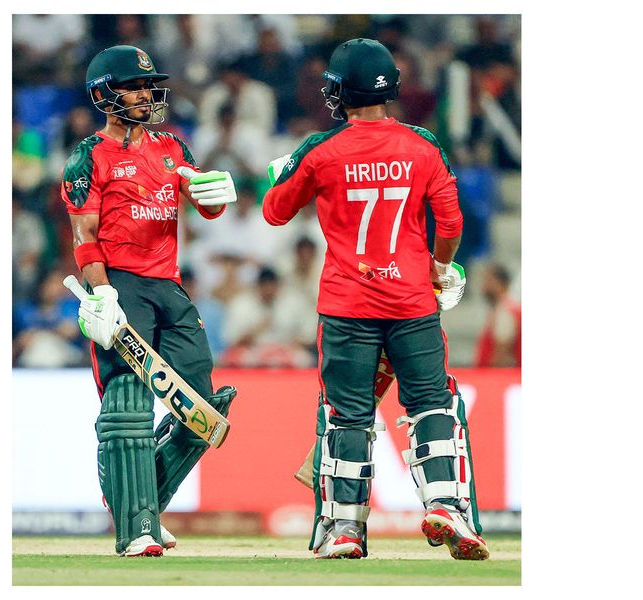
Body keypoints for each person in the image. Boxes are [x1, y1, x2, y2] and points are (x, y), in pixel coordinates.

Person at [262, 38, 488, 560]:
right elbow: (451, 222)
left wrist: (284, 170)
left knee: (347, 416)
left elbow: (274, 212)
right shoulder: (422, 144)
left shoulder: (320, 149)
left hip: (347, 304)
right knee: (432, 403)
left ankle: (344, 528)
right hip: (412, 301)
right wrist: (438, 267)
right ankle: (446, 505)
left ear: (341, 90)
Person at [60, 45, 238, 557]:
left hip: (167, 285)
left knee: (202, 408)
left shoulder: (172, 147)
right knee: (128, 406)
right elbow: (84, 236)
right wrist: (102, 292)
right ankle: (136, 526)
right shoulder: (88, 156)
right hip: (121, 286)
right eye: (133, 87)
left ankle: (142, 504)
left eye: (147, 86)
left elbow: (203, 205)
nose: (144, 94)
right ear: (103, 95)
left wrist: (213, 197)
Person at [475, 263, 521, 367]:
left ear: (499, 283)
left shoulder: (505, 310)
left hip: (494, 373)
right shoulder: (504, 308)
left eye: (488, 280)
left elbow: (502, 352)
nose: (484, 286)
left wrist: (490, 374)